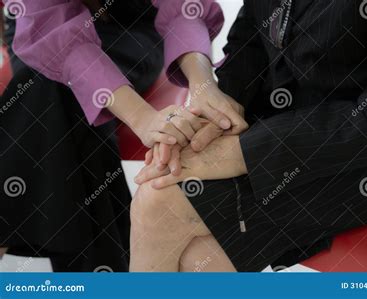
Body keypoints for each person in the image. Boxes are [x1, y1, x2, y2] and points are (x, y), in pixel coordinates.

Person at [132, 0, 367, 272]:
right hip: (271, 122)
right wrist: (215, 113)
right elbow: (252, 37)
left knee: (168, 217)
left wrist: (239, 153)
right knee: (161, 203)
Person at [0, 0, 246, 272]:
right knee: (53, 91)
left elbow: (183, 7)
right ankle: (108, 272)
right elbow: (52, 27)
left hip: (131, 30)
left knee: (58, 103)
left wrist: (203, 83)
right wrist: (143, 118)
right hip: (44, 32)